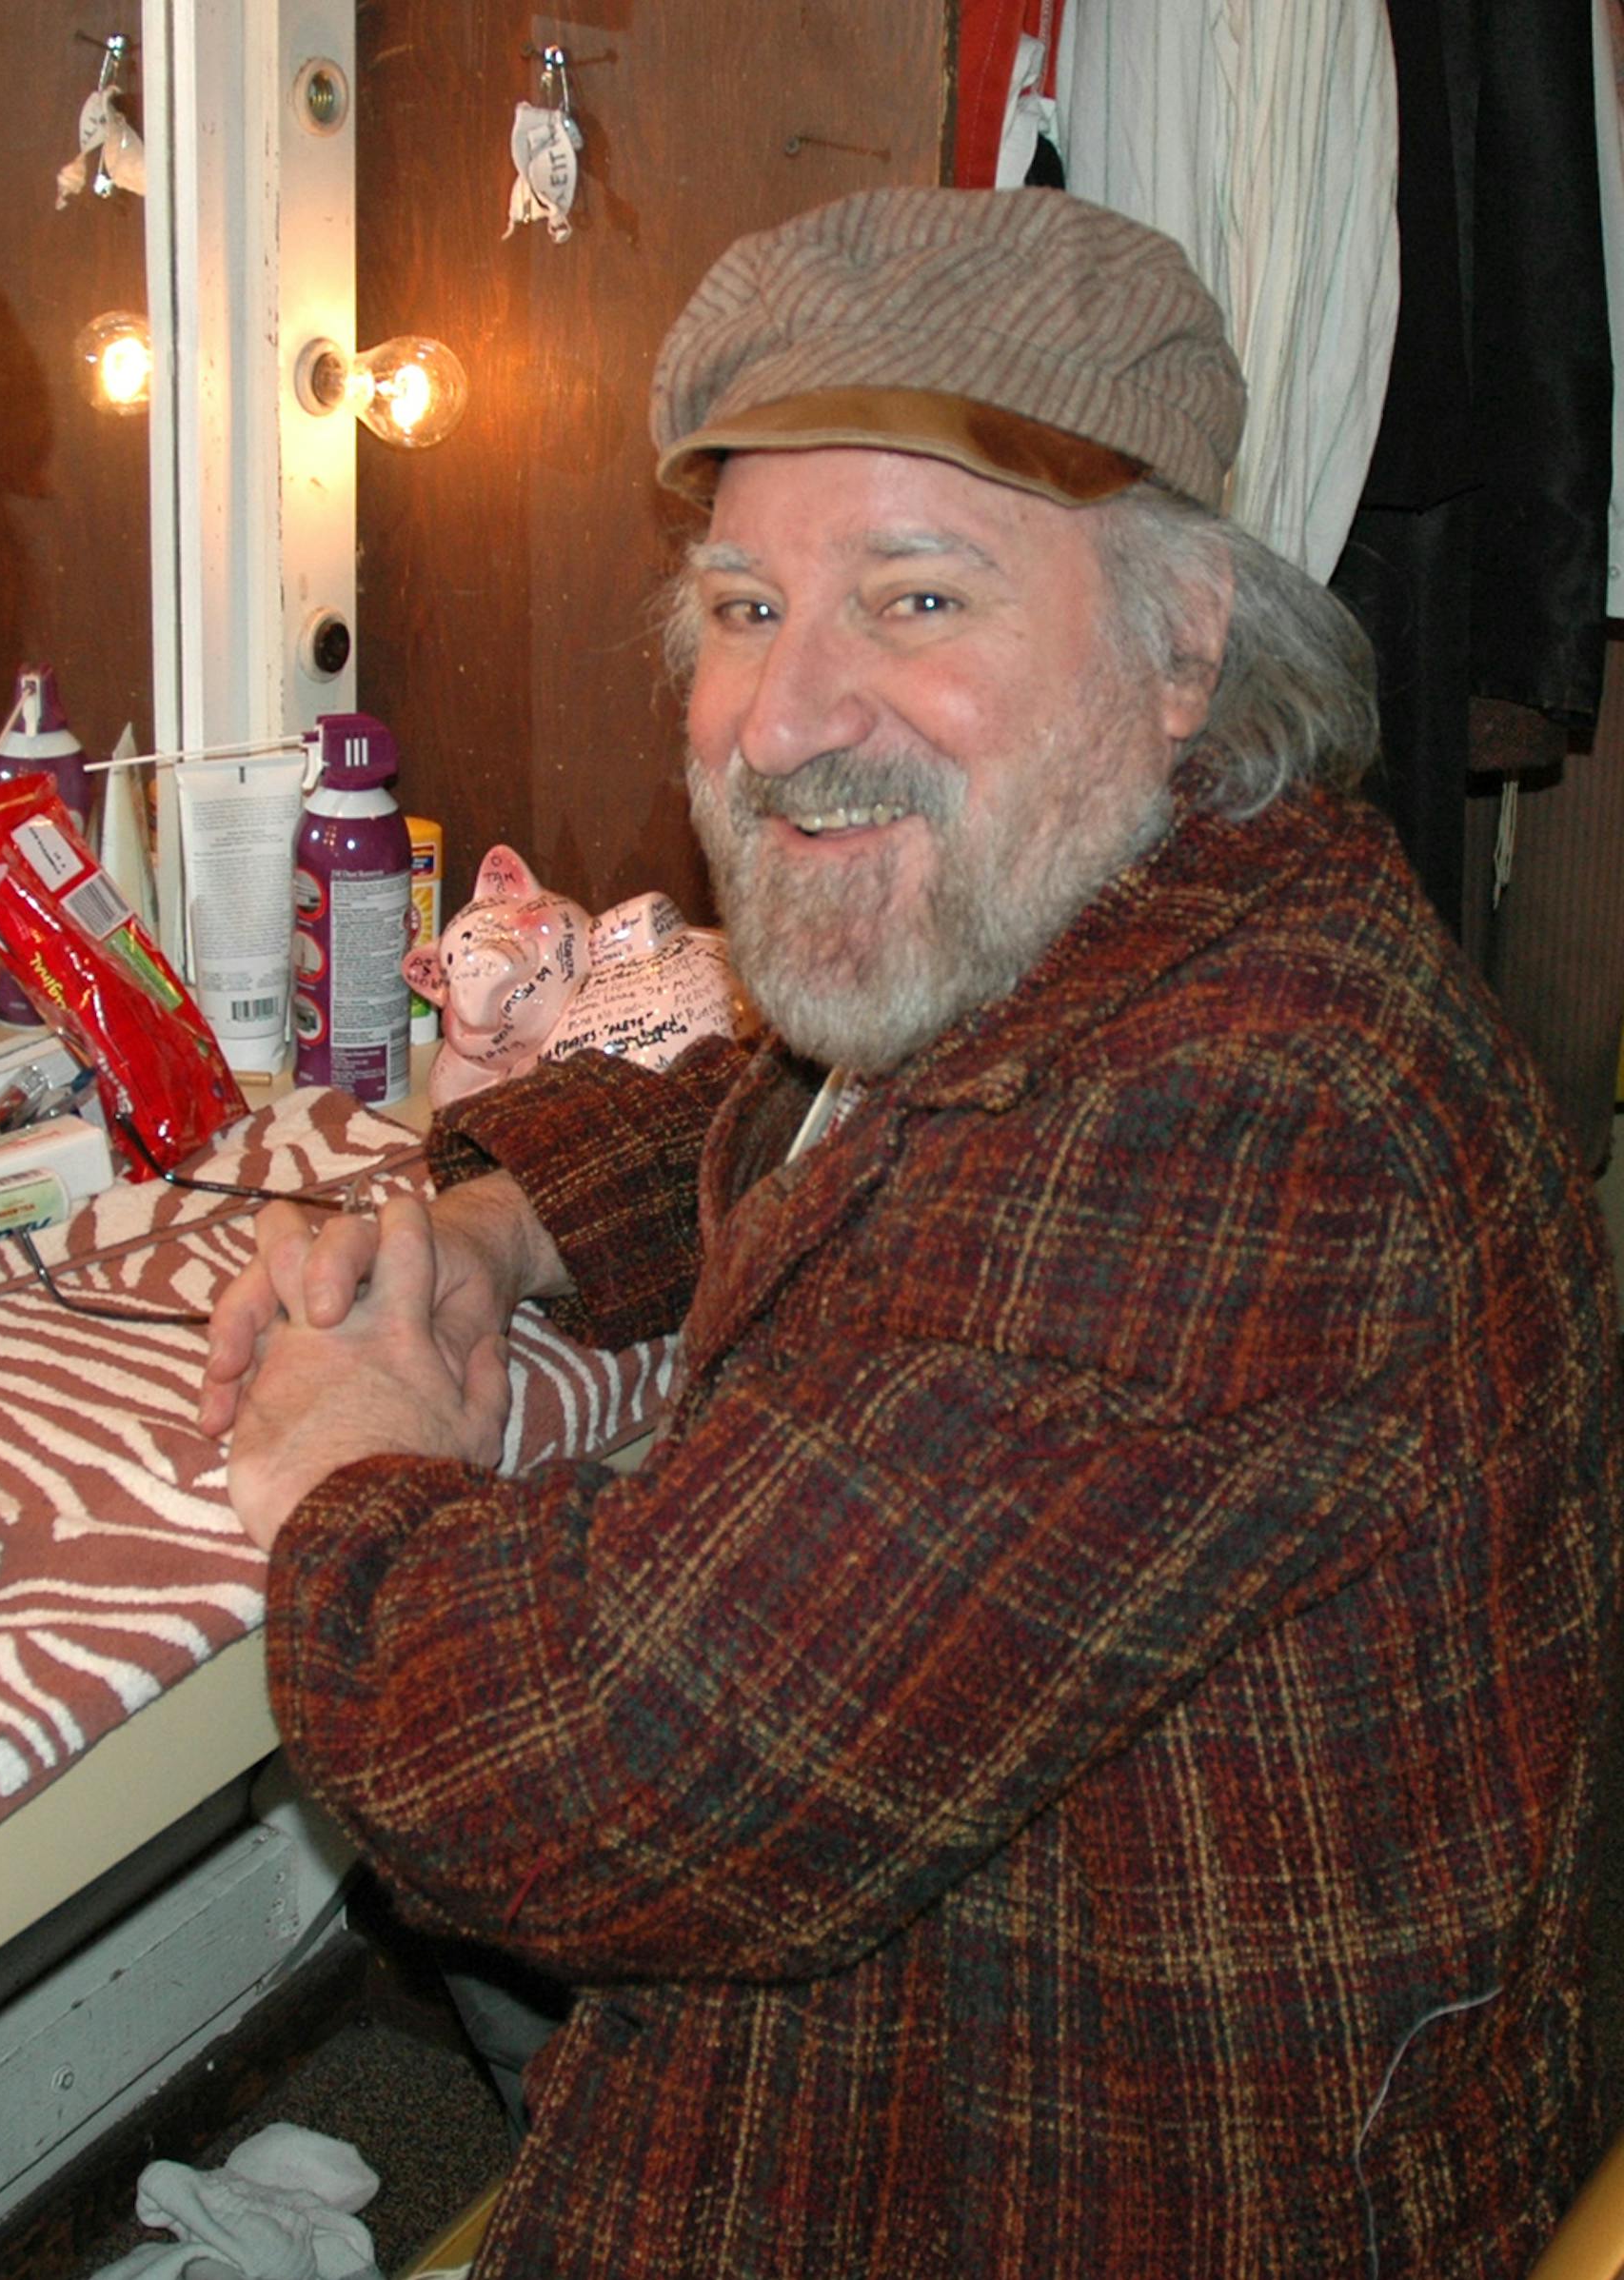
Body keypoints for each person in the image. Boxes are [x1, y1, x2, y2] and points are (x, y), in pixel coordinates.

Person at [200, 188, 1624, 2276]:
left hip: (1063, 2177)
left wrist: (350, 1455)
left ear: (1185, 645)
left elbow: (595, 1772)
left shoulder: (1255, 1124)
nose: (784, 718)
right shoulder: (1145, 907)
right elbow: (808, 1091)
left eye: (918, 598)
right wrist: (504, 1227)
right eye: (747, 608)